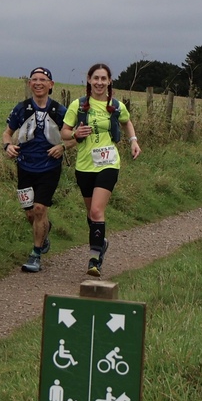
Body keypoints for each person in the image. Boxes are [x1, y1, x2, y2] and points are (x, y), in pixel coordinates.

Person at [61, 63, 141, 277]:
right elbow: (64, 132)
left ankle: (94, 259)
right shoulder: (78, 105)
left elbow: (127, 122)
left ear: (109, 81)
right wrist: (75, 133)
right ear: (89, 80)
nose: (99, 82)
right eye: (95, 78)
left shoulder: (115, 105)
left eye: (103, 79)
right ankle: (101, 242)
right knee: (91, 214)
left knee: (97, 210)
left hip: (109, 163)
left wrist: (133, 141)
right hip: (84, 165)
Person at [3, 66, 67, 273]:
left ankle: (35, 255)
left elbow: (75, 136)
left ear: (51, 84)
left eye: (42, 80)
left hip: (49, 167)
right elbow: (7, 133)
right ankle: (44, 231)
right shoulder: (21, 108)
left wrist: (63, 147)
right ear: (29, 83)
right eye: (34, 79)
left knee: (40, 209)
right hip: (24, 166)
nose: (38, 83)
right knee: (30, 214)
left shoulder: (60, 111)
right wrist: (8, 146)